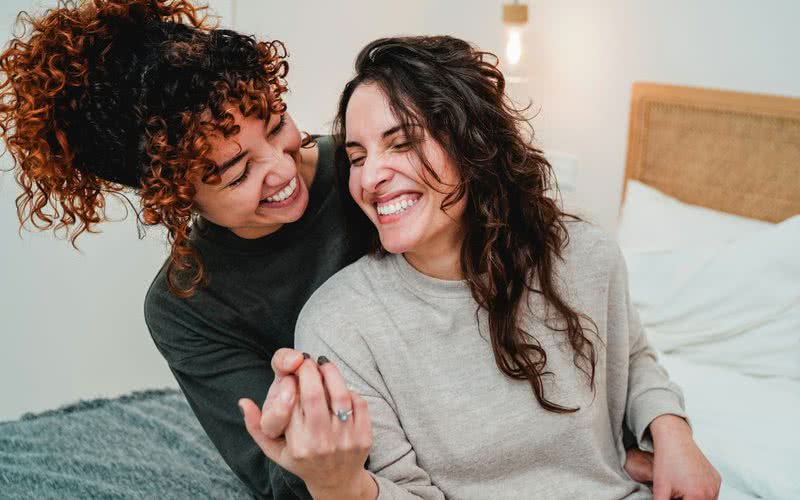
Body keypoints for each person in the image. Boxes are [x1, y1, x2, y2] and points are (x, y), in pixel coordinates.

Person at [240, 36, 721, 499]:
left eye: (402, 142)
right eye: (357, 157)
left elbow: (630, 353)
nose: (370, 177)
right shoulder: (340, 325)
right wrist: (341, 489)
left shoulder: (585, 253)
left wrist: (673, 431)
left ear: (473, 143)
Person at [0, 1, 362, 497]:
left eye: (277, 125)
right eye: (236, 172)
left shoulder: (363, 170)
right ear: (174, 194)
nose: (281, 168)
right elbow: (281, 475)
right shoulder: (186, 306)